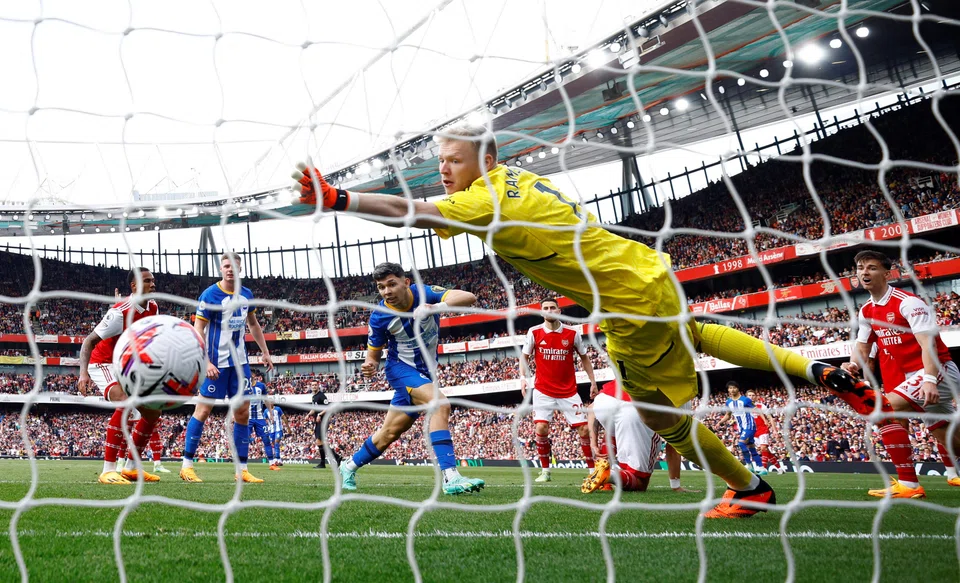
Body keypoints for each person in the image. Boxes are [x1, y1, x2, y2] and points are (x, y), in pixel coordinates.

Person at [292, 124, 890, 517]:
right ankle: (814, 369)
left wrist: (340, 199)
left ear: (486, 159)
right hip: (646, 271)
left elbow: (410, 210)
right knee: (695, 333)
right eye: (440, 161)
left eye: (454, 160)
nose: (444, 169)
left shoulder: (482, 200)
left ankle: (750, 489)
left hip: (623, 302)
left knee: (660, 414)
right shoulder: (525, 180)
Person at [337, 262, 484, 495]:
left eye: (391, 284)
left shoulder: (423, 292)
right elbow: (373, 357)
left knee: (389, 433)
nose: (386, 291)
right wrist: (369, 365)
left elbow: (469, 297)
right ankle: (450, 477)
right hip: (400, 370)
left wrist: (436, 307)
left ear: (406, 282)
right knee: (440, 404)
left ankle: (348, 466)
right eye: (381, 287)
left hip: (426, 373)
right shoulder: (379, 317)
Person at [842, 250, 960, 495]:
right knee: (949, 436)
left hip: (937, 371)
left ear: (886, 273)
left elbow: (928, 345)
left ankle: (909, 484)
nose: (865, 272)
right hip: (915, 377)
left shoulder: (908, 303)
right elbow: (862, 348)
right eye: (861, 268)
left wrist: (929, 379)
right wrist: (853, 365)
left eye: (872, 268)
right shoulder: (866, 311)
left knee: (883, 409)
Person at [180, 253, 274, 484]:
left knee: (242, 413)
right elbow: (198, 329)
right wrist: (206, 362)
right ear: (221, 269)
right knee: (203, 411)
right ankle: (187, 466)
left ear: (240, 268)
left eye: (234, 266)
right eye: (226, 266)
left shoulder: (247, 294)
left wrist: (264, 351)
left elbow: (253, 324)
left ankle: (241, 469)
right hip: (216, 364)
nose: (230, 269)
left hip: (240, 364)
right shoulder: (210, 295)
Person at [78, 267, 163, 485]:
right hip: (103, 363)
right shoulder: (119, 312)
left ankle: (131, 468)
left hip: (126, 365)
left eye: (153, 280)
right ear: (134, 286)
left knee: (153, 412)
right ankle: (108, 470)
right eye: (147, 281)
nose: (153, 284)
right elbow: (88, 341)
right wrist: (83, 374)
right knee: (124, 402)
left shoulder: (153, 307)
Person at [520, 297, 598, 483]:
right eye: (545, 308)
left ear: (559, 311)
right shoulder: (534, 332)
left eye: (552, 307)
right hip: (543, 390)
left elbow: (585, 358)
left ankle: (592, 471)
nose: (549, 310)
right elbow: (524, 357)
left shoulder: (572, 333)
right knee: (541, 427)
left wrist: (593, 382)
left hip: (568, 391)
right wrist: (523, 378)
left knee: (584, 431)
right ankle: (545, 472)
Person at [582, 381, 699, 493]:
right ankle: (609, 474)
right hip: (634, 408)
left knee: (614, 428)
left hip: (604, 402)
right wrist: (675, 485)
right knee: (640, 482)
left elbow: (591, 408)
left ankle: (605, 482)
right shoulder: (682, 388)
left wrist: (593, 443)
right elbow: (674, 443)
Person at [719, 381, 767, 475]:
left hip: (749, 426)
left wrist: (764, 420)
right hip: (741, 428)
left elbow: (756, 409)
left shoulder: (745, 400)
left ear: (738, 388)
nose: (732, 390)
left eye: (734, 388)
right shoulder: (728, 402)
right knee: (751, 447)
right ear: (728, 390)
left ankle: (749, 464)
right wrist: (720, 422)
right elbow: (728, 415)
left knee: (741, 443)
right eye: (730, 388)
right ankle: (762, 468)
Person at [305, 380, 342, 469]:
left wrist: (320, 414)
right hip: (318, 422)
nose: (314, 386)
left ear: (318, 386)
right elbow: (314, 408)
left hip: (323, 421)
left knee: (320, 441)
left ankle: (333, 458)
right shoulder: (314, 396)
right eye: (312, 385)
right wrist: (308, 414)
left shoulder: (321, 396)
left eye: (315, 385)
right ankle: (331, 459)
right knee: (319, 442)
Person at [247, 369, 275, 470]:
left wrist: (270, 413)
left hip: (260, 418)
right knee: (244, 441)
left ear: (254, 375)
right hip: (247, 418)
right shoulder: (244, 386)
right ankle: (242, 466)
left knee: (266, 439)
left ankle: (272, 463)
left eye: (250, 374)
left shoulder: (261, 386)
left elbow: (266, 400)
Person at [745, 390, 779, 472]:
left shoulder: (761, 406)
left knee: (763, 447)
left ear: (756, 397)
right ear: (746, 397)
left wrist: (775, 431)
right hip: (753, 431)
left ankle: (763, 468)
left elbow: (770, 418)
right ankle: (779, 468)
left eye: (753, 395)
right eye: (749, 395)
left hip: (763, 429)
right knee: (765, 450)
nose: (751, 397)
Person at [266, 399, 286, 467]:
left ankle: (278, 459)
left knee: (276, 443)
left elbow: (284, 417)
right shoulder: (266, 411)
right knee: (273, 445)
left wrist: (288, 428)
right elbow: (265, 420)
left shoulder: (278, 409)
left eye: (271, 402)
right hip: (271, 430)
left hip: (278, 429)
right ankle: (276, 459)